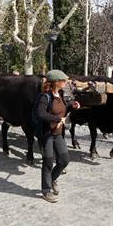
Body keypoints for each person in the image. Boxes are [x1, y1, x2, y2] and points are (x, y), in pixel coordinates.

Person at [36, 70, 80, 203]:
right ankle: (46, 190)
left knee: (64, 160)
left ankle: (53, 179)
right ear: (56, 82)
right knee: (48, 162)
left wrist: (71, 106)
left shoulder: (59, 94)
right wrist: (56, 119)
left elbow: (62, 110)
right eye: (64, 80)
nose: (66, 82)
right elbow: (41, 114)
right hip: (47, 134)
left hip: (58, 134)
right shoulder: (45, 97)